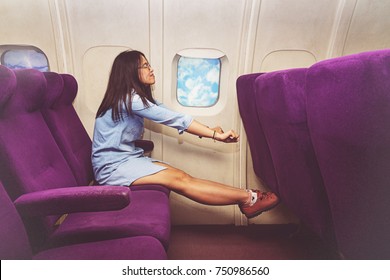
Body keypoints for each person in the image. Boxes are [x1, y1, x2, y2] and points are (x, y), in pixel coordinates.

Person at [91, 50, 279, 218]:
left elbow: (173, 115)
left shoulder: (138, 98)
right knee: (181, 180)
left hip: (127, 159)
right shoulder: (130, 100)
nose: (152, 69)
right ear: (130, 71)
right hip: (112, 167)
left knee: (182, 175)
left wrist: (209, 130)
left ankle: (247, 198)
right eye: (146, 65)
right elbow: (174, 120)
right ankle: (249, 198)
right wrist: (215, 136)